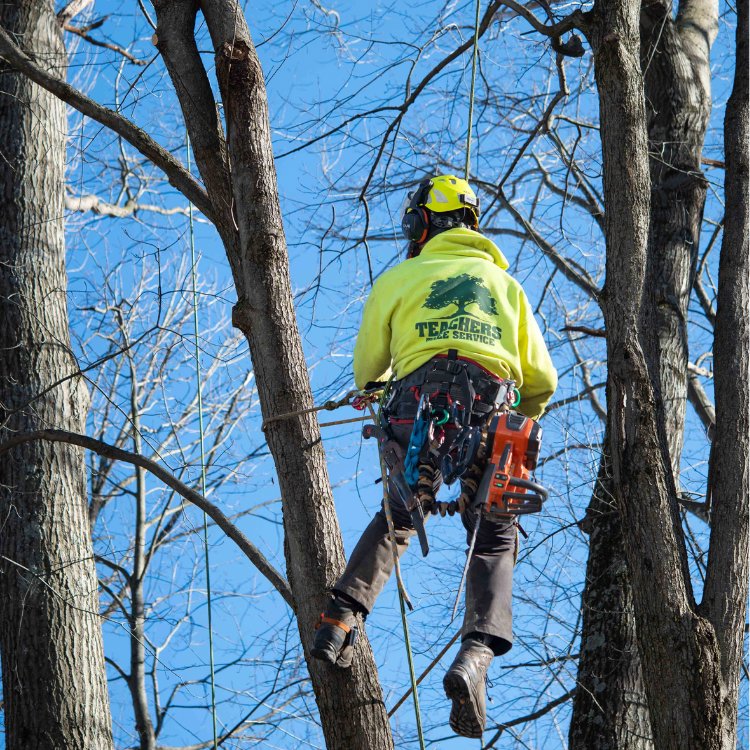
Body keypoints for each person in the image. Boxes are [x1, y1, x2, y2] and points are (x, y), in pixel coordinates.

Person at [311, 174, 557, 739]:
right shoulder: (506, 285)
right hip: (494, 403)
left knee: (401, 513)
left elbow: (369, 370)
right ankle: (475, 657)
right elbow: (542, 381)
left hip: (416, 403)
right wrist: (522, 406)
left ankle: (340, 617)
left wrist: (390, 378)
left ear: (424, 223)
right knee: (495, 532)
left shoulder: (401, 277)